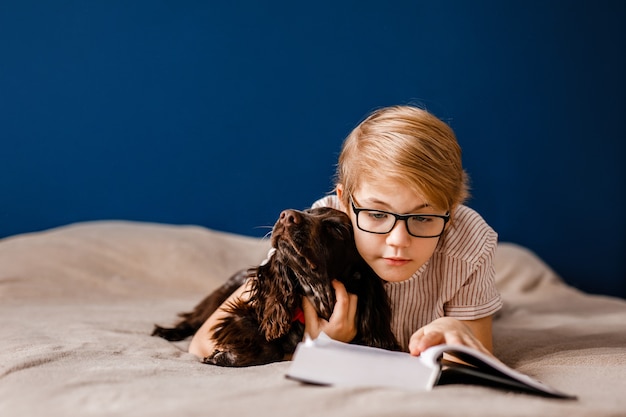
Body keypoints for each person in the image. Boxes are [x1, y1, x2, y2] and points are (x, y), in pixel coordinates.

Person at [189, 104, 502, 358]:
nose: (398, 241)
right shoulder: (319, 232)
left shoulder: (468, 241)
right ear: (345, 204)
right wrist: (320, 346)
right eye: (377, 214)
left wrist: (457, 331)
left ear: (451, 210)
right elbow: (203, 343)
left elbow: (476, 358)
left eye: (423, 218)